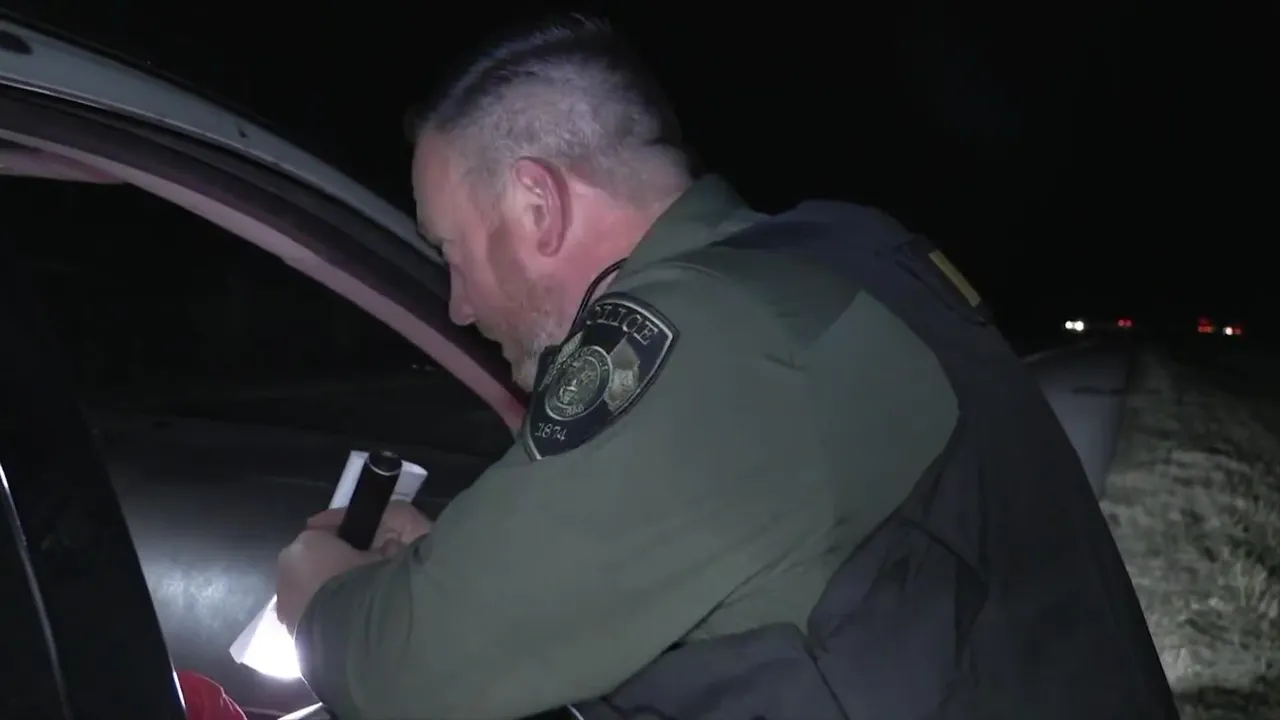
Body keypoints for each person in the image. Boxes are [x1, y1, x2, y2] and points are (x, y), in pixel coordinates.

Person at [274, 15, 1179, 720]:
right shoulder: (827, 254)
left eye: (453, 252)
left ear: (538, 205)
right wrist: (446, 565)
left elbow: (411, 674)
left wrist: (321, 599)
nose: (459, 306)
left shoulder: (707, 340)